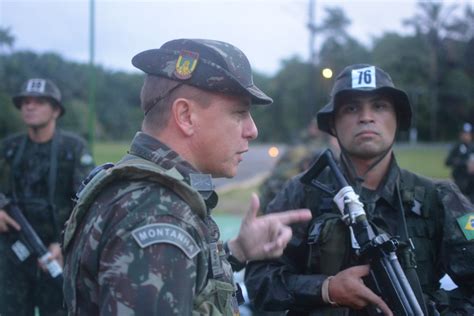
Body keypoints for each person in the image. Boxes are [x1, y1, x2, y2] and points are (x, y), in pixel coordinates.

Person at [62, 38, 312, 315]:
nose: (252, 130)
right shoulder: (158, 215)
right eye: (240, 112)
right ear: (185, 116)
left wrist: (239, 249)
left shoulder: (138, 194)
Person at [245, 64, 474, 315]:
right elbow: (259, 282)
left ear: (398, 118)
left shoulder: (439, 198)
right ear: (332, 124)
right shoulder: (301, 192)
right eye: (351, 108)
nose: (366, 117)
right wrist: (325, 289)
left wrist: (428, 308)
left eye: (379, 106)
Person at [0, 78, 95, 316]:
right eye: (25, 102)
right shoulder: (8, 148)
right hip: (12, 253)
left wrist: (63, 243)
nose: (29, 107)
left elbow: (88, 200)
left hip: (55, 252)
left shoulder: (73, 149)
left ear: (56, 110)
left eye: (39, 102)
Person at [445, 122, 474, 202]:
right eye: (464, 133)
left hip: (471, 182)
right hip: (459, 180)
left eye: (467, 134)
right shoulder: (457, 147)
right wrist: (464, 163)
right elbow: (447, 162)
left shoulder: (472, 148)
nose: (465, 136)